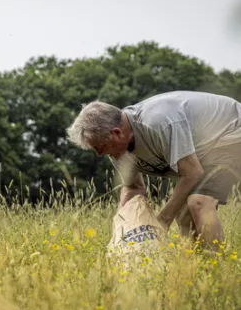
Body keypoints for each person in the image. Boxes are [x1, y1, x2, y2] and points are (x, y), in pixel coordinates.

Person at [66, 90, 241, 246]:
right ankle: (195, 268)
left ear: (117, 133)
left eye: (100, 147)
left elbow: (192, 173)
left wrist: (162, 221)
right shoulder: (118, 150)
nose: (99, 154)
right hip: (203, 152)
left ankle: (216, 266)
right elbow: (133, 188)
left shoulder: (157, 123)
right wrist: (122, 227)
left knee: (198, 202)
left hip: (230, 131)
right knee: (183, 212)